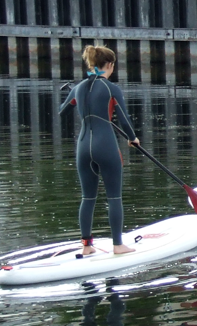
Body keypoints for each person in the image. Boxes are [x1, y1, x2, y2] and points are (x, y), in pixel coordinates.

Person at [59, 45, 139, 255]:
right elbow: (123, 119)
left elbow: (62, 112)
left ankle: (87, 247)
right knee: (114, 197)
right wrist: (133, 138)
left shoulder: (78, 88)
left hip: (84, 147)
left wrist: (75, 98)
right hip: (106, 146)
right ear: (110, 65)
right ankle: (118, 245)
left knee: (88, 198)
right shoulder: (112, 89)